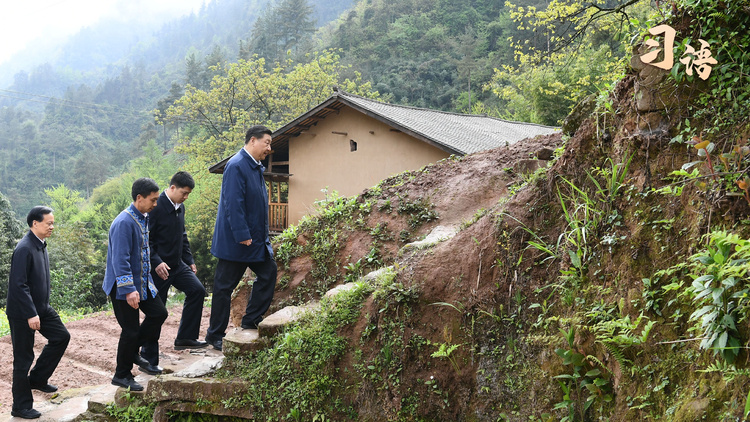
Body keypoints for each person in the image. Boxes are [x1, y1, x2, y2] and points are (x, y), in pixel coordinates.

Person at [205, 125, 278, 351]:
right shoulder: (236, 165)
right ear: (253, 140)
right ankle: (215, 335)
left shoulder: (255, 167)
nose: (269, 148)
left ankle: (250, 320)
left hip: (255, 241)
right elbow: (232, 203)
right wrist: (242, 234)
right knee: (224, 287)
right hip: (237, 243)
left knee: (268, 272)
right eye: (266, 142)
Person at [102, 178, 168, 391]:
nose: (155, 204)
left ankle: (132, 353)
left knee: (159, 314)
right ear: (139, 198)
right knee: (130, 331)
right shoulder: (124, 222)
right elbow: (120, 259)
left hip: (142, 281)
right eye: (153, 200)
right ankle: (121, 375)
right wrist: (129, 289)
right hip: (123, 285)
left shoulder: (143, 216)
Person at [6, 206, 70, 419]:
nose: (52, 226)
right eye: (48, 223)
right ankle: (21, 407)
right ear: (35, 223)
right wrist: (31, 313)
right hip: (23, 312)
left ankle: (38, 379)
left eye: (53, 223)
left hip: (41, 308)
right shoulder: (24, 248)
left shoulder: (40, 245)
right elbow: (18, 285)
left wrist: (40, 309)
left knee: (61, 336)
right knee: (23, 359)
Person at [139, 171, 208, 368]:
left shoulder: (180, 207)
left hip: (177, 265)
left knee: (197, 290)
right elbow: (146, 240)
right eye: (184, 193)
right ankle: (148, 358)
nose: (185, 197)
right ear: (172, 188)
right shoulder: (155, 206)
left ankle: (186, 337)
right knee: (157, 313)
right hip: (158, 269)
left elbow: (182, 235)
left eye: (188, 194)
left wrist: (189, 259)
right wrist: (157, 262)